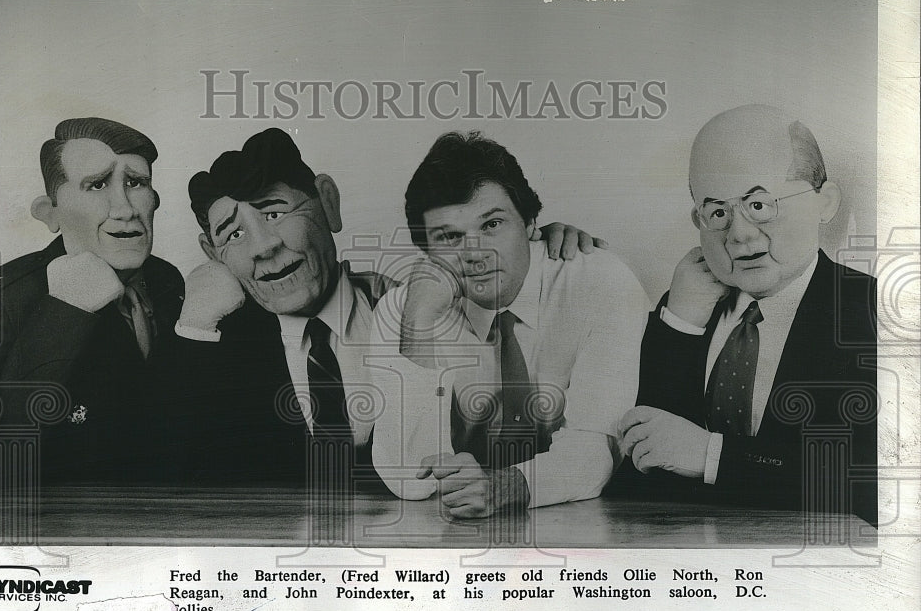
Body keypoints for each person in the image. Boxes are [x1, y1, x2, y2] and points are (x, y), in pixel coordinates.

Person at [175, 127, 599, 487]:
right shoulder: (217, 347)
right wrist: (193, 332)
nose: (264, 247)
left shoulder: (422, 308)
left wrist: (540, 252)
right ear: (211, 253)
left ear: (327, 202)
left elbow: (518, 433)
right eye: (232, 235)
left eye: (274, 213)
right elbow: (173, 469)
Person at [610, 104, 878, 526]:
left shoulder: (876, 313)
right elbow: (638, 462)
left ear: (824, 203)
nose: (738, 234)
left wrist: (711, 456)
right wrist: (680, 324)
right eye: (717, 212)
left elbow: (871, 478)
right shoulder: (680, 309)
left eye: (759, 204)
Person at [368, 131, 650, 517]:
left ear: (531, 222)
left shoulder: (600, 282)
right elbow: (408, 480)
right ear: (425, 250)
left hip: (585, 525)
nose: (475, 254)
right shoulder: (404, 310)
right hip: (457, 534)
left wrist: (508, 486)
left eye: (492, 225)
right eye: (450, 236)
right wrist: (418, 325)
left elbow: (594, 453)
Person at [0, 117, 184, 489]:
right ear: (50, 212)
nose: (125, 208)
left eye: (136, 183)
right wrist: (64, 312)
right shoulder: (3, 299)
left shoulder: (167, 281)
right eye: (97, 185)